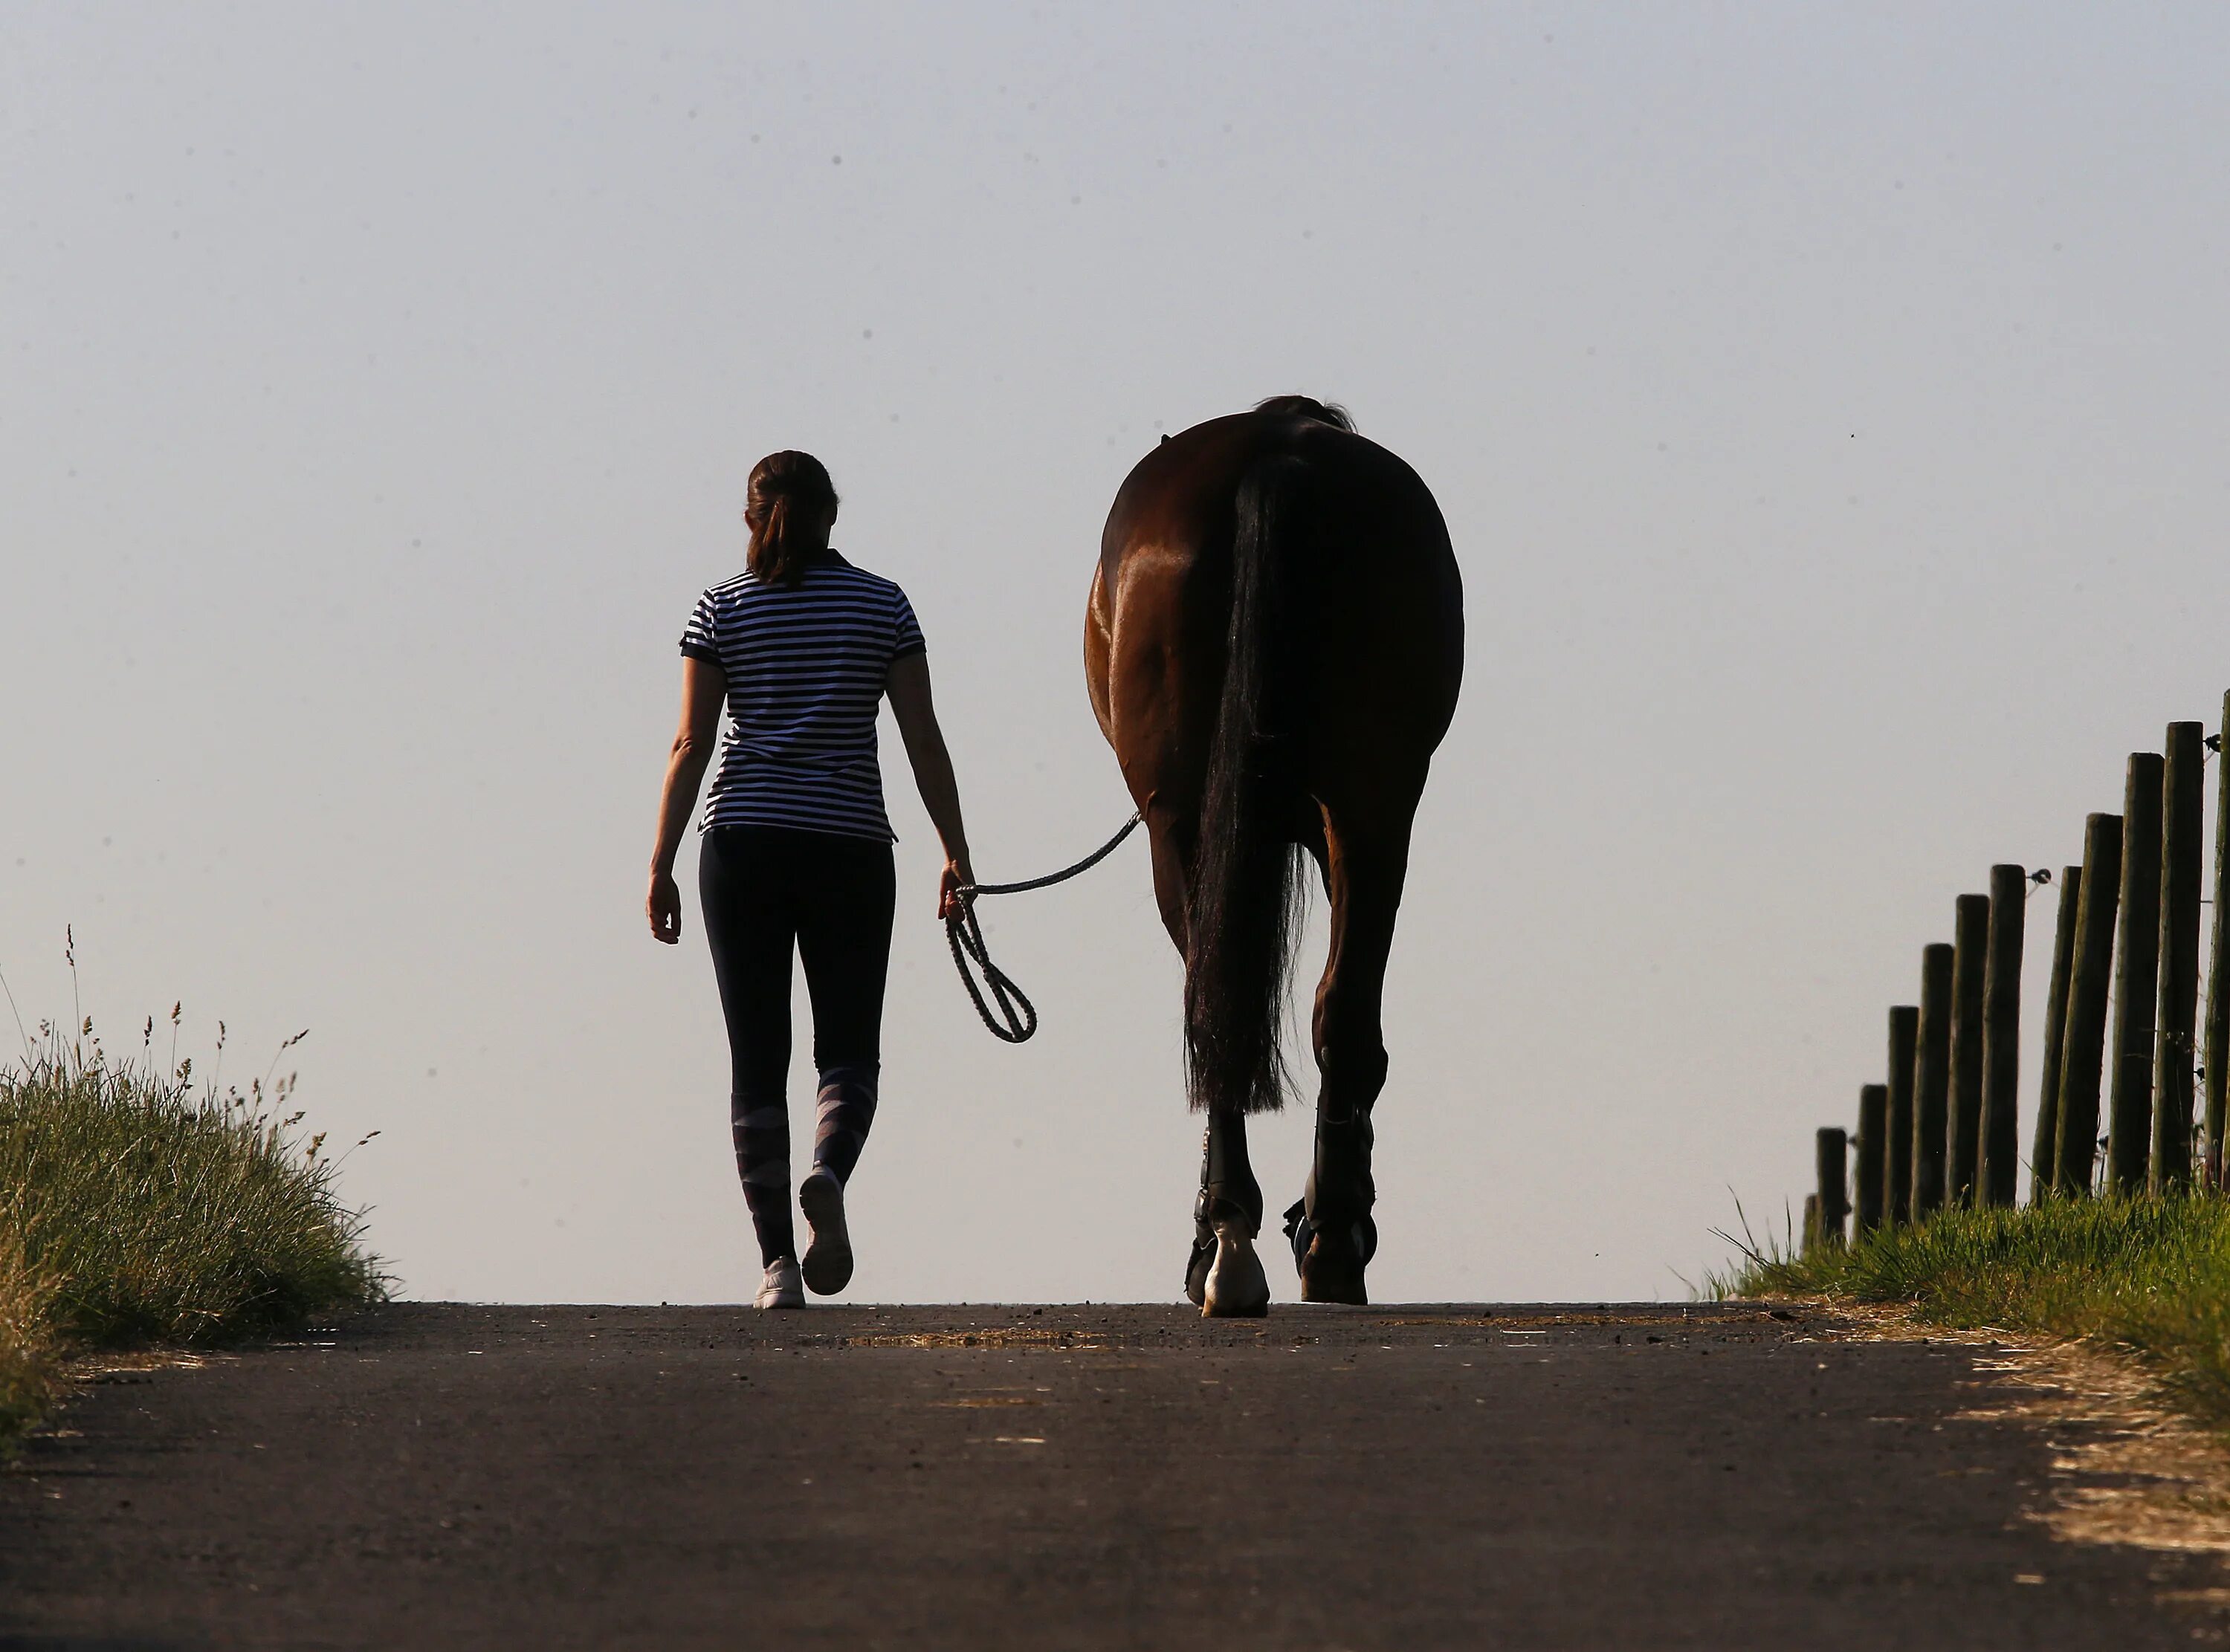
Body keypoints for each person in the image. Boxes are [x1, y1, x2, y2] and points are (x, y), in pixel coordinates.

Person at [647, 450, 974, 1309]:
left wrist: (660, 863)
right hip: (849, 846)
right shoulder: (882, 605)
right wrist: (956, 852)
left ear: (752, 518)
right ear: (833, 516)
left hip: (743, 844)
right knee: (849, 1051)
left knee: (758, 1062)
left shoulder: (720, 607)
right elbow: (922, 740)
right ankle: (827, 1172)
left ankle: (776, 1268)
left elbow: (690, 745)